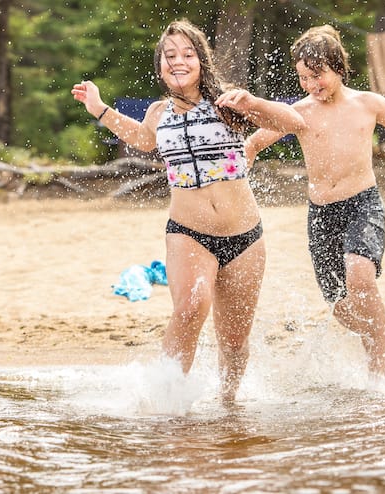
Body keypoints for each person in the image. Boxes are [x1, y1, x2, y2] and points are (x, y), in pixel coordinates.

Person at [71, 19, 305, 403]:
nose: (178, 61)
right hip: (188, 232)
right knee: (192, 306)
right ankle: (167, 403)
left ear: (201, 61)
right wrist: (98, 109)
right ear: (160, 65)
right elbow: (143, 139)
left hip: (245, 237)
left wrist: (253, 103)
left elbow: (294, 122)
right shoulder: (158, 112)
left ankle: (228, 403)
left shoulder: (229, 102)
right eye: (170, 56)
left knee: (234, 339)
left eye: (187, 54)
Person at [226, 25, 385, 378]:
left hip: (363, 204)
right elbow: (254, 143)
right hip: (321, 214)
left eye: (318, 76)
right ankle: (376, 333)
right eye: (303, 78)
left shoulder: (368, 103)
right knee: (339, 305)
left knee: (360, 276)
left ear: (338, 69)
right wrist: (241, 165)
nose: (311, 85)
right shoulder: (299, 112)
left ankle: (378, 368)